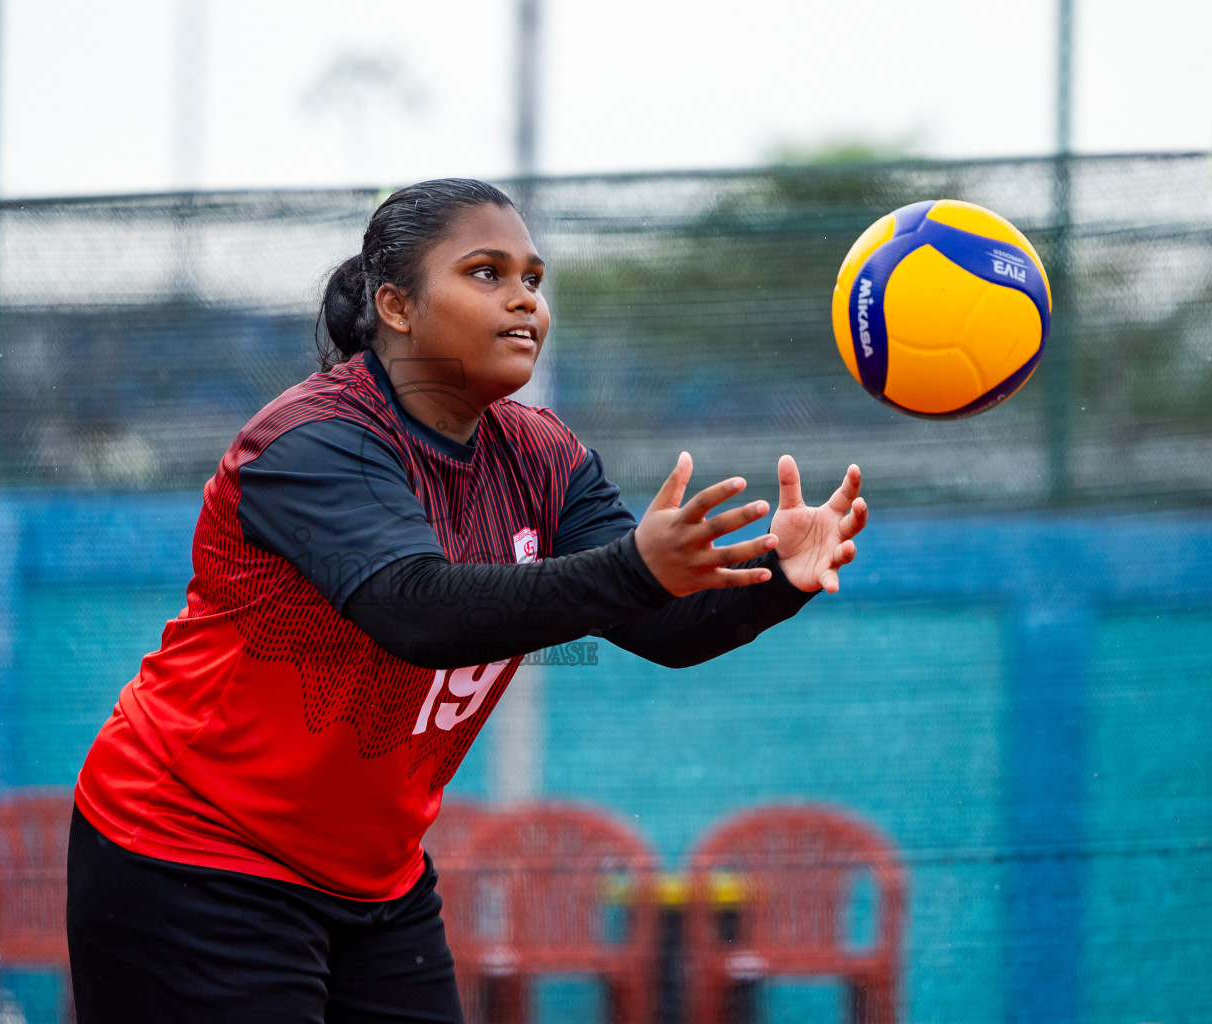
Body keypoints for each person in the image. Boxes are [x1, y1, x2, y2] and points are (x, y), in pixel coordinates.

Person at [66, 178, 868, 1023]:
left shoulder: (542, 456)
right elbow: (418, 611)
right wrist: (635, 567)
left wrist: (777, 577)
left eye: (533, 277)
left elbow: (660, 626)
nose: (524, 297)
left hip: (375, 878)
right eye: (486, 273)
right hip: (192, 851)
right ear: (396, 306)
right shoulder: (314, 442)